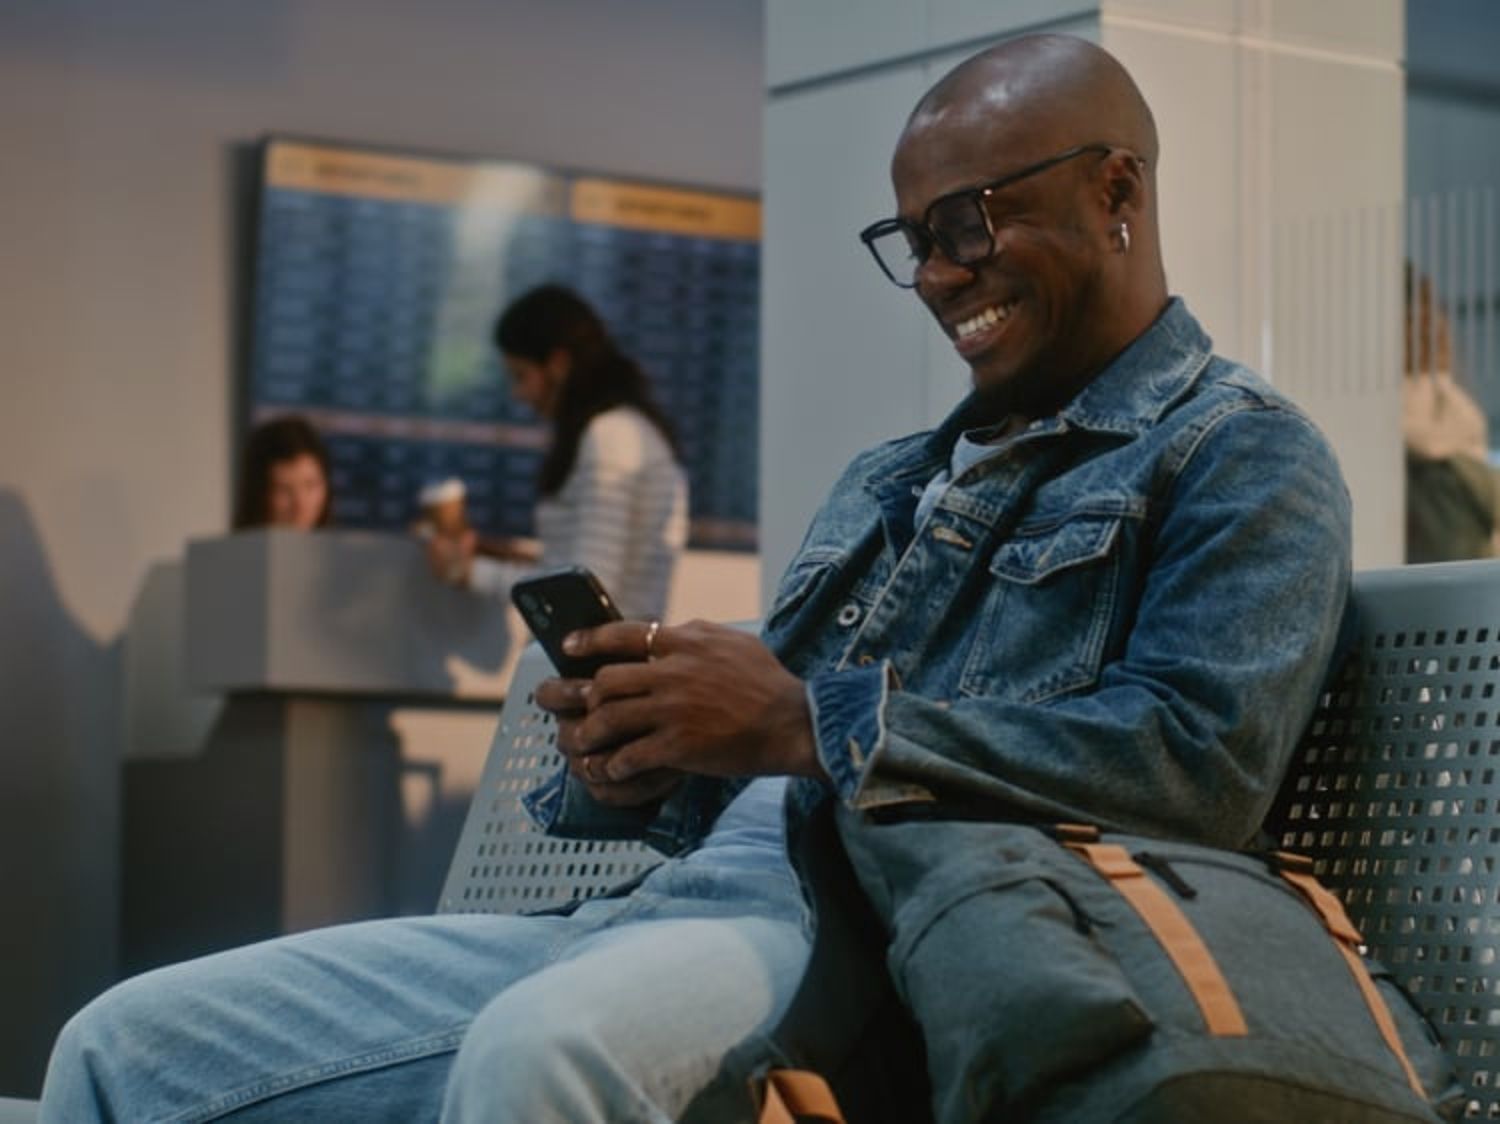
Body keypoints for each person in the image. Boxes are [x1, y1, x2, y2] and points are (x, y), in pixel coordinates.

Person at [40, 34, 1351, 1123]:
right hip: (661, 911)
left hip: (882, 943)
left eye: (969, 222)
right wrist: (654, 757)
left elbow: (1200, 764)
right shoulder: (891, 476)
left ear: (1118, 190)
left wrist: (801, 720)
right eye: (913, 239)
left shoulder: (1240, 456)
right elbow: (760, 761)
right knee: (122, 1046)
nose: (940, 275)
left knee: (539, 1058)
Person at [426, 284, 689, 621]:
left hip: (606, 667)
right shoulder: (623, 429)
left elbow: (589, 588)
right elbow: (586, 567)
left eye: (521, 376)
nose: (518, 394)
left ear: (558, 363)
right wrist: (508, 558)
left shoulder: (610, 434)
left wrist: (467, 572)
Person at [1403, 264, 1499, 562]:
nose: (1431, 326)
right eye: (1417, 315)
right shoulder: (1382, 407)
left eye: (1433, 311)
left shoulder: (1452, 401)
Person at [231, 413, 333, 531]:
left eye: (311, 485)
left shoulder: (342, 548)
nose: (300, 505)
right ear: (258, 494)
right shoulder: (230, 549)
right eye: (284, 489)